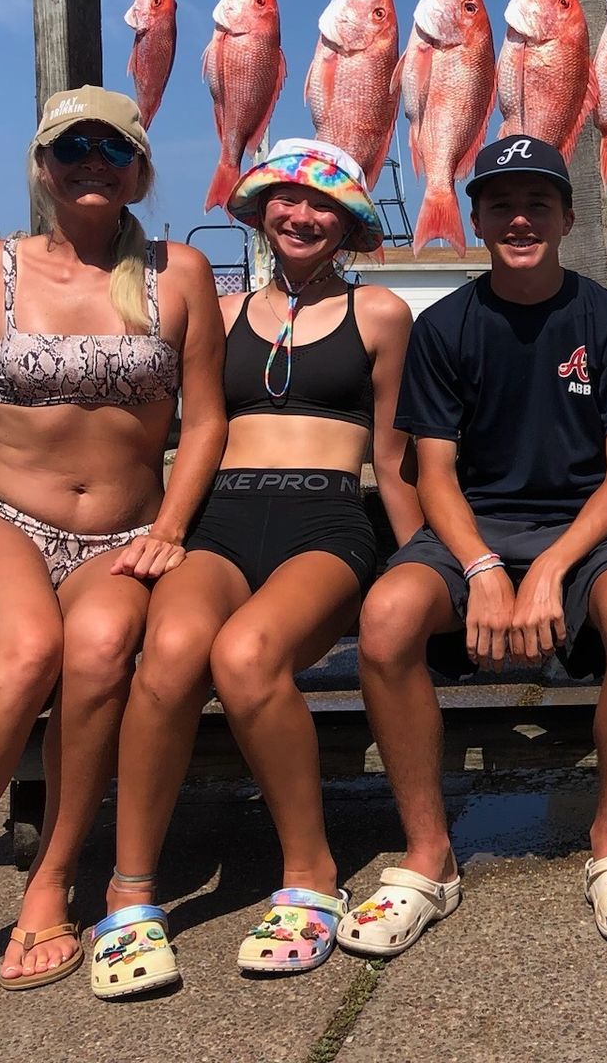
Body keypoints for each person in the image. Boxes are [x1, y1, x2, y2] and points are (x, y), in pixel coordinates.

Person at [0, 87, 226, 1048]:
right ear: (43, 167)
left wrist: (172, 526)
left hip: (124, 534)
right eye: (72, 149)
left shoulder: (182, 274)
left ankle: (54, 878)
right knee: (23, 654)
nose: (92, 162)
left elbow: (207, 418)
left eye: (113, 147)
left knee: (99, 650)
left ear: (140, 167)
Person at [88, 139, 421, 994]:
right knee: (166, 658)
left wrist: (422, 561)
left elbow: (394, 459)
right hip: (223, 516)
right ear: (261, 211)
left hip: (327, 515)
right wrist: (158, 521)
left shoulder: (380, 314)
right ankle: (131, 893)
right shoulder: (222, 310)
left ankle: (310, 870)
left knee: (245, 656)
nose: (301, 216)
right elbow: (178, 427)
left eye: (322, 206)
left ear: (347, 224)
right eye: (286, 200)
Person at [349, 134, 607, 961]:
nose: (519, 219)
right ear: (476, 218)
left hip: (583, 527)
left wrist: (555, 566)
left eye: (536, 204)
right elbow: (434, 474)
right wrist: (485, 568)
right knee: (385, 620)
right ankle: (428, 854)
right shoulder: (446, 326)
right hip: (472, 527)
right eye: (499, 204)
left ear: (568, 216)